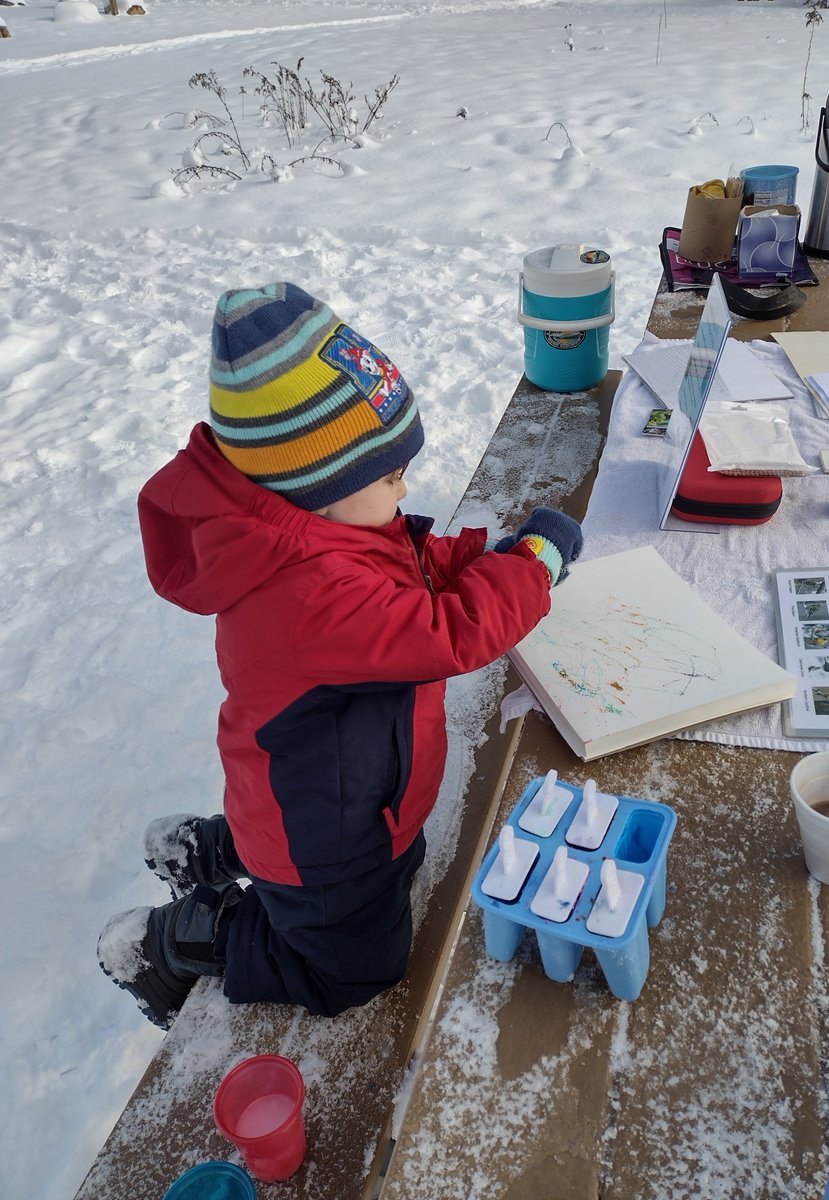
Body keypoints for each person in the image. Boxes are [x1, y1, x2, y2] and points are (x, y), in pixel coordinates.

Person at [97, 281, 583, 1029]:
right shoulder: (308, 592)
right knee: (358, 965)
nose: (406, 485)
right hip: (322, 833)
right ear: (315, 490)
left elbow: (412, 571)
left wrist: (489, 554)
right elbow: (448, 632)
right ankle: (186, 938)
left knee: (384, 867)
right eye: (388, 476)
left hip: (338, 798)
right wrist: (532, 566)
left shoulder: (323, 536)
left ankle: (212, 850)